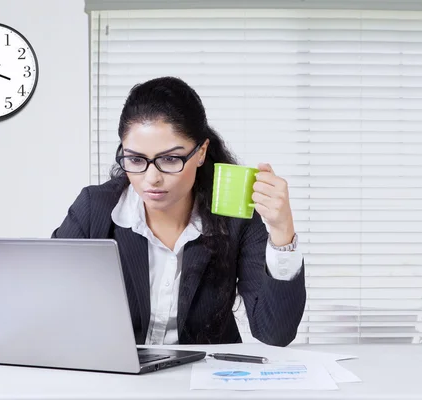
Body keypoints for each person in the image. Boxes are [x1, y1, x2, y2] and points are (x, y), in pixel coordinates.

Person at [52, 76, 306, 347]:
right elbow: (51, 303)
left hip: (205, 379)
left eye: (170, 159)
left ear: (201, 152)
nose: (152, 179)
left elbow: (275, 333)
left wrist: (282, 231)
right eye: (136, 159)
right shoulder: (95, 208)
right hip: (120, 379)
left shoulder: (234, 217)